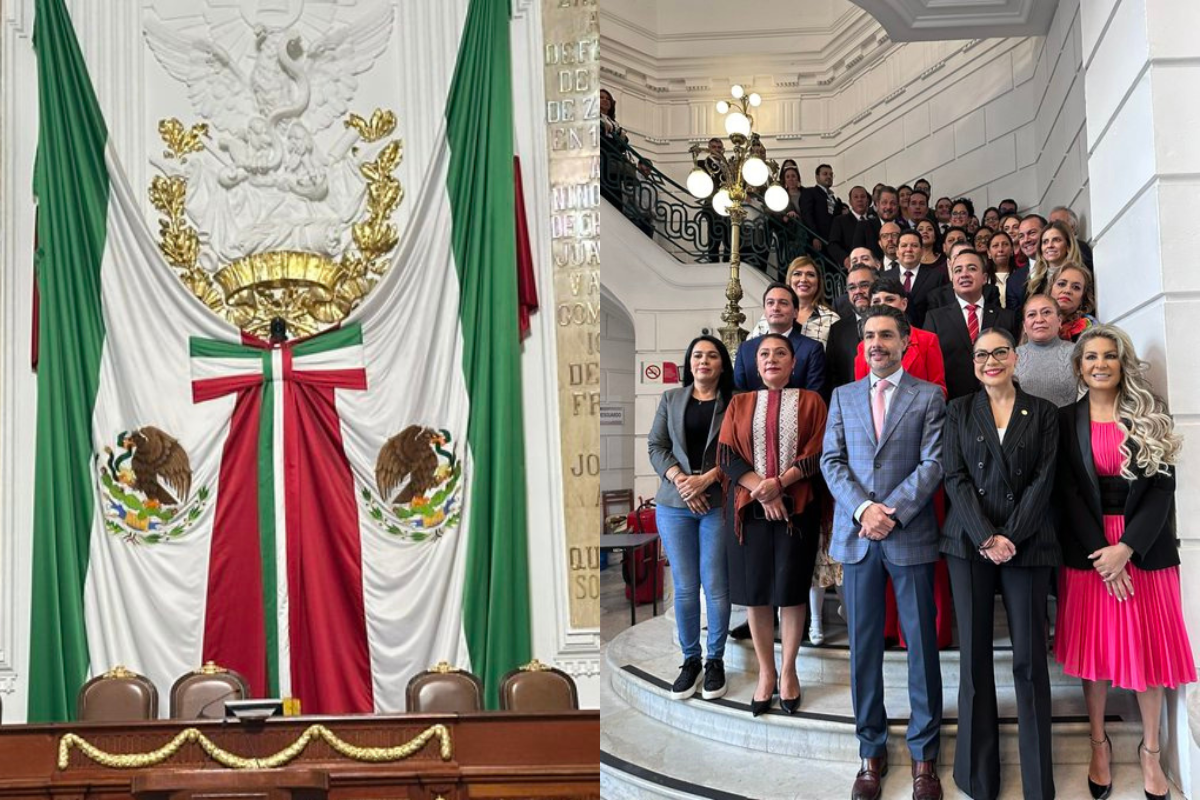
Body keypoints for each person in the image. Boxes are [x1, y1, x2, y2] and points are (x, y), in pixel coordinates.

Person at [1055, 326, 1195, 800]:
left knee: (1147, 655)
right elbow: (1067, 493)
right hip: (1090, 555)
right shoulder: (1062, 420)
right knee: (1095, 658)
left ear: (1122, 363)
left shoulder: (1148, 413)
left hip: (1143, 550)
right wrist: (1103, 554)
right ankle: (1099, 743)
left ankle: (1151, 751)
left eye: (1109, 356)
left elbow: (1161, 489)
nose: (1100, 364)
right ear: (1079, 366)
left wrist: (1126, 549)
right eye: (1091, 356)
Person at [821, 304, 947, 800]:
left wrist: (888, 511)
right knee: (864, 652)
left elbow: (934, 461)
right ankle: (870, 750)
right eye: (869, 336)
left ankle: (924, 756)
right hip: (857, 539)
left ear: (904, 343)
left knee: (921, 651)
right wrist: (862, 511)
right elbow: (832, 461)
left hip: (909, 534)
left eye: (886, 336)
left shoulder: (929, 395)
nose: (877, 343)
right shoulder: (843, 395)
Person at [940, 327, 1059, 800]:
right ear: (974, 363)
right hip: (970, 544)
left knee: (1030, 662)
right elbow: (955, 475)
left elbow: (1044, 479)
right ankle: (977, 778)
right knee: (974, 661)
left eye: (1000, 352)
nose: (991, 360)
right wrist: (987, 535)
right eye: (982, 354)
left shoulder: (1044, 413)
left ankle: (1037, 783)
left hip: (1027, 544)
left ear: (1016, 358)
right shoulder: (959, 410)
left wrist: (1010, 535)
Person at [719, 334, 828, 716]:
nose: (772, 359)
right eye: (764, 354)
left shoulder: (812, 401)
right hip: (749, 510)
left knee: (791, 590)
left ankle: (788, 671)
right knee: (757, 592)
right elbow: (727, 454)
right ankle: (766, 673)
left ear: (793, 363)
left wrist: (780, 485)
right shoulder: (739, 402)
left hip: (796, 507)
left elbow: (819, 453)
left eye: (780, 353)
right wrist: (762, 491)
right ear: (754, 363)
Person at [648, 336, 734, 701]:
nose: (704, 361)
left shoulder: (734, 401)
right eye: (698, 355)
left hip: (716, 502)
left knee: (715, 585)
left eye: (712, 355)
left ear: (721, 364)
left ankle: (715, 660)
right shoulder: (671, 399)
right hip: (674, 503)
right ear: (689, 362)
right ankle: (690, 659)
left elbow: (739, 449)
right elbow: (657, 446)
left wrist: (707, 480)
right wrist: (682, 481)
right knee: (684, 586)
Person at [924, 249, 1018, 400]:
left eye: (972, 268)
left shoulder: (1006, 317)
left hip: (999, 401)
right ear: (953, 279)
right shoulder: (935, 318)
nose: (964, 274)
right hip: (952, 405)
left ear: (984, 278)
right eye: (958, 270)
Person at [735, 283, 827, 393]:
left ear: (796, 313)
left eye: (783, 303)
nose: (775, 308)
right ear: (765, 311)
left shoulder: (812, 349)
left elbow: (815, 397)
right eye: (770, 303)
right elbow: (738, 394)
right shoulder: (746, 349)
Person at [751, 257, 840, 349]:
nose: (803, 279)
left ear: (818, 282)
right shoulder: (772, 314)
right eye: (797, 274)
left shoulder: (831, 319)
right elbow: (750, 350)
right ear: (789, 280)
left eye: (810, 275)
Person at [1015, 294, 1078, 407]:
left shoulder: (1077, 353)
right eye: (1032, 314)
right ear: (1024, 326)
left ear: (1059, 321)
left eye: (1046, 312)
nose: (1039, 319)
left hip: (1067, 423)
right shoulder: (1011, 357)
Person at [827, 263, 879, 389]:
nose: (858, 292)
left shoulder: (894, 324)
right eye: (852, 288)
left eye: (864, 285)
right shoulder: (837, 330)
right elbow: (833, 377)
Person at [883, 229, 947, 329]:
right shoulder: (884, 277)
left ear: (922, 251)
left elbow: (940, 312)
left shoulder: (936, 277)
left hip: (925, 334)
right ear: (897, 252)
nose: (909, 249)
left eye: (914, 245)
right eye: (904, 246)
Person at [828, 185, 873, 269]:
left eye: (863, 197)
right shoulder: (840, 221)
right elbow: (833, 245)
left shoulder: (874, 220)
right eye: (856, 197)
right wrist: (845, 259)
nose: (860, 200)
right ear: (850, 202)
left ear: (867, 200)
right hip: (853, 269)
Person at [1050, 264, 1098, 342]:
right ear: (1050, 290)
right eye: (1061, 284)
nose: (1067, 290)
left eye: (1076, 287)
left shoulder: (1091, 330)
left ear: (1083, 298)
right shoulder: (1034, 322)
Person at [800, 163, 841, 247]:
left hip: (834, 241)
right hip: (820, 240)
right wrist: (814, 237)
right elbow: (807, 215)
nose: (829, 177)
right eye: (825, 174)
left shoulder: (833, 198)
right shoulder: (810, 192)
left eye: (831, 174)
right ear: (817, 177)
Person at [856, 185, 901, 259]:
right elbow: (857, 254)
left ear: (898, 206)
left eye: (893, 203)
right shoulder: (864, 226)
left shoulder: (904, 228)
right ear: (877, 204)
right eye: (884, 203)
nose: (888, 207)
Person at [986, 230, 1016, 308]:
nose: (1000, 249)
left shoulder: (1022, 276)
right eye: (995, 246)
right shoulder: (983, 279)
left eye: (1005, 244)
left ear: (1012, 250)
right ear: (989, 253)